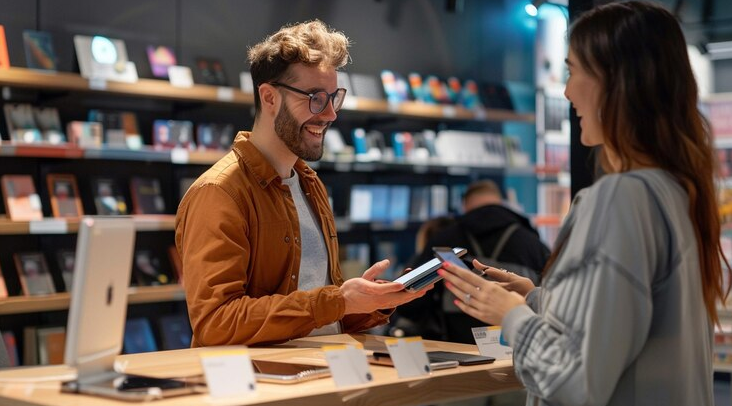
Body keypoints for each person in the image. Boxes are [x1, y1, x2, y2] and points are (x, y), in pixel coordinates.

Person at [439, 2, 729, 405]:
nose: (567, 90)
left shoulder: (621, 198)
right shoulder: (678, 192)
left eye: (573, 70)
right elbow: (628, 329)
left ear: (617, 81)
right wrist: (537, 300)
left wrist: (511, 315)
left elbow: (574, 382)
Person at [175, 20, 428, 347]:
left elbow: (316, 315)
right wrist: (337, 301)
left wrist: (366, 304)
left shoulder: (310, 184)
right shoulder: (219, 192)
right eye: (314, 97)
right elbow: (216, 322)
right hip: (261, 389)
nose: (330, 114)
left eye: (334, 98)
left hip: (323, 377)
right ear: (269, 98)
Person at [393, 180, 549, 343]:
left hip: (458, 349)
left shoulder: (444, 238)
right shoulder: (534, 244)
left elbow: (411, 306)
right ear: (501, 203)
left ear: (465, 206)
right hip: (519, 347)